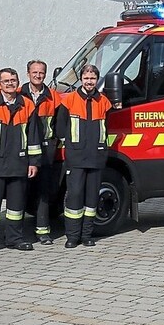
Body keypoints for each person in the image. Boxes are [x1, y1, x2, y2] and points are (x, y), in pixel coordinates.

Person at [0, 68, 41, 253]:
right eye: (6, 81)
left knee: (16, 206)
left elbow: (34, 136)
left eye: (13, 80)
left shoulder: (27, 105)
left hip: (19, 163)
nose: (10, 84)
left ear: (18, 82)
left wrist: (34, 162)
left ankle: (15, 239)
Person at [55, 64, 113, 247]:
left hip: (96, 156)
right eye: (86, 78)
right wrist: (71, 147)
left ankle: (87, 235)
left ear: (97, 80)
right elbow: (60, 127)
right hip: (76, 158)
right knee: (75, 196)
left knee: (91, 198)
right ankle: (72, 236)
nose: (89, 82)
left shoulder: (104, 101)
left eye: (93, 78)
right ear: (81, 79)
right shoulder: (69, 100)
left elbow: (106, 129)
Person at [20, 60, 62, 245]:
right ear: (28, 73)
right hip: (22, 150)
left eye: (41, 73)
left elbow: (59, 125)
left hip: (46, 151)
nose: (38, 75)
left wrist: (54, 143)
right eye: (34, 72)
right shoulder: (19, 94)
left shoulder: (53, 97)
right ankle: (17, 233)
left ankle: (43, 231)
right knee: (20, 192)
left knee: (44, 192)